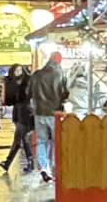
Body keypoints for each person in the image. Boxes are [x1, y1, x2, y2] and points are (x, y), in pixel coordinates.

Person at [29, 53, 69, 183]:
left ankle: (43, 167)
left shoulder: (36, 75)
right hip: (55, 114)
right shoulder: (61, 74)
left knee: (42, 140)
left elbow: (28, 92)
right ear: (59, 61)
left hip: (39, 112)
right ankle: (55, 167)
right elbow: (65, 93)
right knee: (56, 141)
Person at [0, 66, 35, 173]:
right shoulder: (12, 83)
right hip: (18, 113)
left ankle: (7, 163)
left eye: (20, 70)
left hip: (27, 113)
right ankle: (30, 162)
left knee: (17, 139)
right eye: (16, 70)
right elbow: (8, 101)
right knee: (24, 139)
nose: (18, 72)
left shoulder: (28, 81)